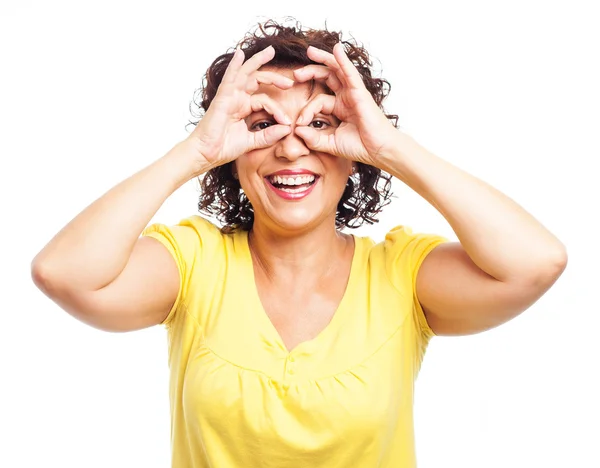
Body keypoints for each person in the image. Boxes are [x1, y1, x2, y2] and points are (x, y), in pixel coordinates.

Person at [30, 19, 567, 468]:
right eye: (263, 124)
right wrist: (195, 151)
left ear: (356, 146)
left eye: (320, 123)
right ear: (232, 154)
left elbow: (536, 263)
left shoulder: (400, 274)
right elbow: (64, 274)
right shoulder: (196, 263)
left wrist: (390, 146)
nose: (291, 149)